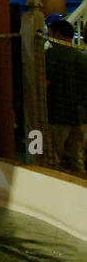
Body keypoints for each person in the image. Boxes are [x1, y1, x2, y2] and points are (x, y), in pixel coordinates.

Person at [46, 17, 87, 174]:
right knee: (77, 162)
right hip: (80, 117)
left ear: (57, 33)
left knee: (52, 159)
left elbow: (44, 83)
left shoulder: (52, 55)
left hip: (57, 117)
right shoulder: (82, 57)